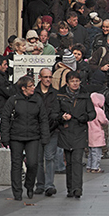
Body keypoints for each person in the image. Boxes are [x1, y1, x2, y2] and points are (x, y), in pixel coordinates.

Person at [0, 76, 50, 201]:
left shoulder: (37, 100)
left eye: (33, 85)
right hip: (16, 136)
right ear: (23, 88)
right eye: (31, 86)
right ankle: (17, 191)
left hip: (33, 136)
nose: (34, 87)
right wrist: (5, 136)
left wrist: (45, 137)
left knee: (33, 163)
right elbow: (5, 118)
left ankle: (29, 185)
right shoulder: (13, 100)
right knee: (16, 164)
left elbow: (43, 119)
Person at [56, 71, 96, 199]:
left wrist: (84, 117)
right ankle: (70, 188)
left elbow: (92, 113)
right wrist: (62, 117)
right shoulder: (60, 95)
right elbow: (54, 113)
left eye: (77, 81)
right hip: (66, 130)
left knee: (77, 160)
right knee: (69, 162)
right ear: (67, 82)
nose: (75, 83)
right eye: (72, 81)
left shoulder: (85, 95)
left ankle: (78, 188)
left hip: (80, 130)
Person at [33, 68, 61, 197]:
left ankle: (49, 185)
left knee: (50, 157)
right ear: (40, 78)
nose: (48, 79)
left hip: (52, 130)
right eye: (45, 77)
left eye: (50, 77)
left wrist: (52, 124)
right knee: (38, 159)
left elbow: (56, 112)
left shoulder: (55, 94)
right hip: (37, 131)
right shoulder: (34, 93)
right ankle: (40, 185)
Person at [86, 92, 108, 173]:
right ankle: (95, 167)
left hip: (89, 134)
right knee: (97, 152)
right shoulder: (99, 111)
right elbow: (103, 121)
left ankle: (89, 166)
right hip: (97, 134)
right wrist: (107, 122)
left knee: (91, 152)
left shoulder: (88, 110)